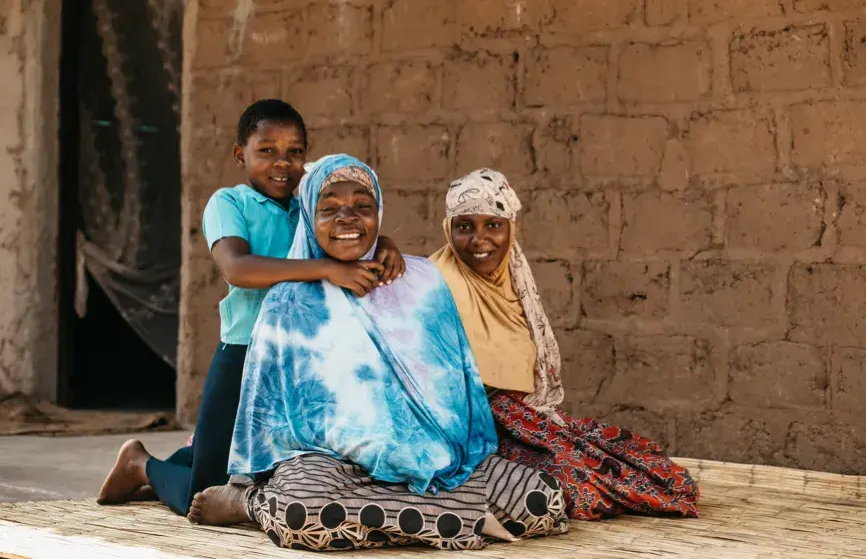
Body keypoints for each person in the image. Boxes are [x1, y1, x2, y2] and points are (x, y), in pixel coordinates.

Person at [185, 154, 570, 551]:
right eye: (329, 208)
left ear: (380, 212)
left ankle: (440, 513)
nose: (348, 218)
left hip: (427, 457)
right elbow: (266, 414)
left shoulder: (420, 282)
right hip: (326, 464)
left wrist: (427, 452)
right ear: (308, 217)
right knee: (303, 511)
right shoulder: (287, 301)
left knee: (541, 499)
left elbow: (454, 390)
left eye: (362, 207)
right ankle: (251, 503)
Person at [95, 100, 407, 516]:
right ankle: (140, 464)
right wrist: (328, 269)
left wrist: (382, 244)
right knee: (203, 495)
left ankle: (190, 455)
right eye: (267, 151)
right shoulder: (229, 203)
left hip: (298, 356)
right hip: (244, 352)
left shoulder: (309, 203)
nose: (283, 163)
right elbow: (238, 268)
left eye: (295, 152)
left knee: (261, 464)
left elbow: (349, 224)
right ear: (239, 153)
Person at [428, 168, 701, 521]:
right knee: (572, 481)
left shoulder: (514, 279)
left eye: (493, 225)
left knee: (651, 468)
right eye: (464, 226)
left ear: (511, 229)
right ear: (448, 229)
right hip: (465, 429)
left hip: (522, 416)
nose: (479, 240)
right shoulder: (432, 285)